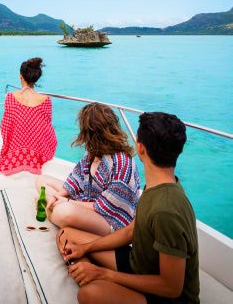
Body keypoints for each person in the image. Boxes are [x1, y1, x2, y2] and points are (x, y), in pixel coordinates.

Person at [57, 112, 199, 304]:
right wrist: (85, 248)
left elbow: (171, 288)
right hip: (137, 264)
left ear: (140, 148)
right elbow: (132, 230)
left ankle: (96, 279)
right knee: (66, 235)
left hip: (165, 296)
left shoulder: (167, 210)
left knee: (89, 295)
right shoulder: (157, 185)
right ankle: (92, 276)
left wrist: (103, 274)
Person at [36, 102, 140, 236]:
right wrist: (57, 197)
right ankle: (52, 206)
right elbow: (75, 180)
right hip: (87, 201)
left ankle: (50, 210)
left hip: (111, 221)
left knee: (64, 212)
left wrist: (67, 201)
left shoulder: (122, 163)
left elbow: (105, 207)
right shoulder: (93, 152)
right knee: (41, 180)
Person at [0, 57, 57, 175]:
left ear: (21, 76)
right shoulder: (46, 100)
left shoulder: (10, 97)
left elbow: (5, 127)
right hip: (37, 153)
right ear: (36, 78)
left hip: (15, 152)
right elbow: (47, 129)